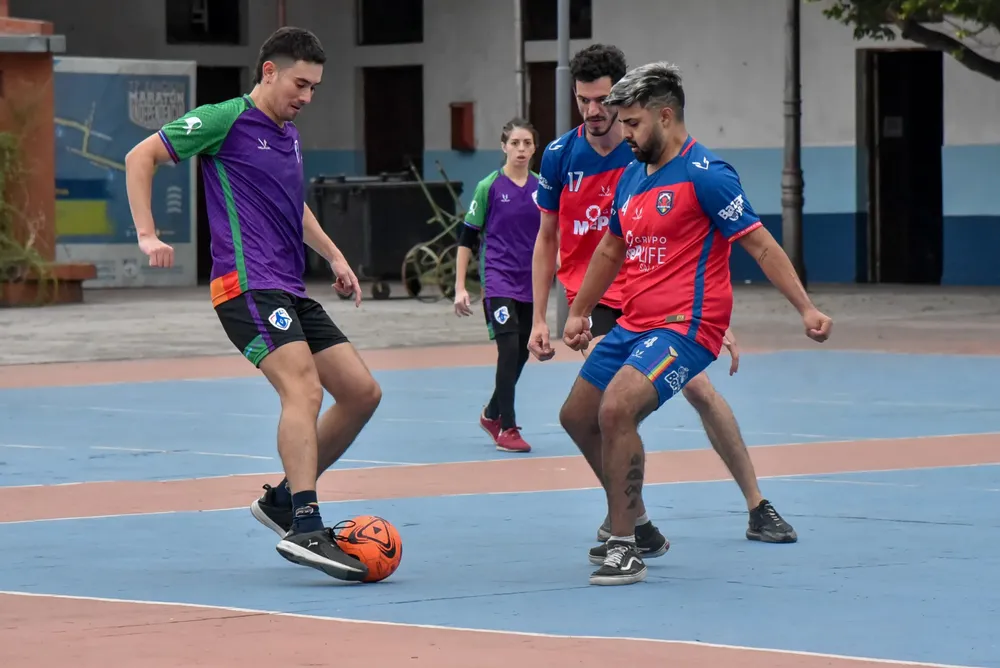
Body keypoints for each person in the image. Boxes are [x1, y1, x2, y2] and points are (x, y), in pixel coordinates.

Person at [555, 61, 832, 586]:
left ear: (665, 116)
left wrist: (806, 308)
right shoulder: (633, 174)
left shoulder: (707, 174)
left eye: (633, 124)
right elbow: (610, 248)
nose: (625, 134)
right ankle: (638, 521)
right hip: (635, 322)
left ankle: (623, 544)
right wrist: (577, 311)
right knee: (576, 416)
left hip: (688, 326)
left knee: (618, 408)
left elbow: (760, 244)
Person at [124, 27, 383, 582]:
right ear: (269, 71)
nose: (307, 97)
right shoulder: (223, 119)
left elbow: (295, 206)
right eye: (300, 84)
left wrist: (336, 258)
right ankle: (306, 527)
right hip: (245, 287)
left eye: (314, 87)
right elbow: (140, 156)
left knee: (362, 393)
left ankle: (283, 501)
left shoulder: (286, 134)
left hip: (288, 286)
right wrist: (147, 234)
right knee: (305, 388)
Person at [454, 118, 540, 454]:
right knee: (507, 350)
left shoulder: (541, 188)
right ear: (503, 146)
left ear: (535, 148)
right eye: (515, 143)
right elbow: (467, 239)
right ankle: (506, 426)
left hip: (530, 281)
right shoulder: (488, 187)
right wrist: (460, 286)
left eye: (527, 143)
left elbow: (552, 233)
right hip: (499, 280)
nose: (521, 149)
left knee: (520, 353)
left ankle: (491, 413)